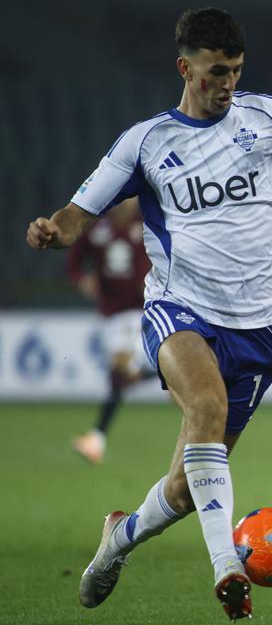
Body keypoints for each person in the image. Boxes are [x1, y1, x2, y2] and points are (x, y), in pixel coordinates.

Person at [26, 7, 272, 621]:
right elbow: (78, 214)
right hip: (179, 309)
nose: (228, 84)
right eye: (217, 72)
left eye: (236, 70)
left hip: (258, 328)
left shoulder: (270, 120)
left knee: (186, 488)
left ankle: (120, 538)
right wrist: (54, 231)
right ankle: (227, 567)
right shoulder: (146, 143)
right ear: (185, 69)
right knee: (206, 407)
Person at [67, 197, 157, 464]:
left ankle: (96, 439)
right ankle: (172, 372)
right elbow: (73, 262)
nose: (127, 203)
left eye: (132, 198)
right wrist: (83, 279)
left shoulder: (147, 225)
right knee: (122, 375)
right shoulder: (97, 228)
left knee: (120, 365)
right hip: (108, 313)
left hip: (137, 309)